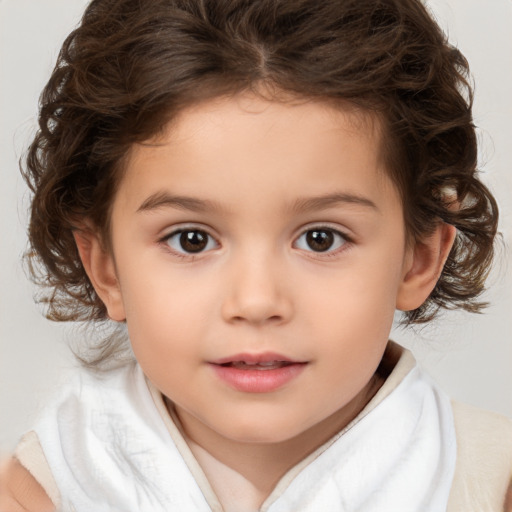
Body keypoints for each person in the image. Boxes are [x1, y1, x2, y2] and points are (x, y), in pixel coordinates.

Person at [0, 0, 511, 510]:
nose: (257, 300)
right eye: (191, 239)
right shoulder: (41, 488)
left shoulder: (489, 482)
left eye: (321, 239)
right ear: (105, 268)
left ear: (418, 258)